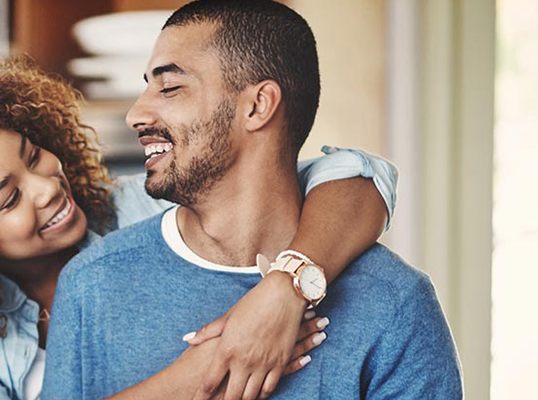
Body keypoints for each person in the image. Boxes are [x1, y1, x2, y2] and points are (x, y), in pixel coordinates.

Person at [0, 57, 397, 400]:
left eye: (32, 153)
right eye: (9, 196)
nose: (47, 185)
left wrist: (285, 288)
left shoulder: (145, 210)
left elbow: (357, 174)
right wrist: (198, 373)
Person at [42, 1, 461, 400]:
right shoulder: (91, 285)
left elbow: (364, 172)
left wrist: (288, 287)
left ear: (258, 105)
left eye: (169, 87)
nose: (136, 114)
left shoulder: (395, 305)